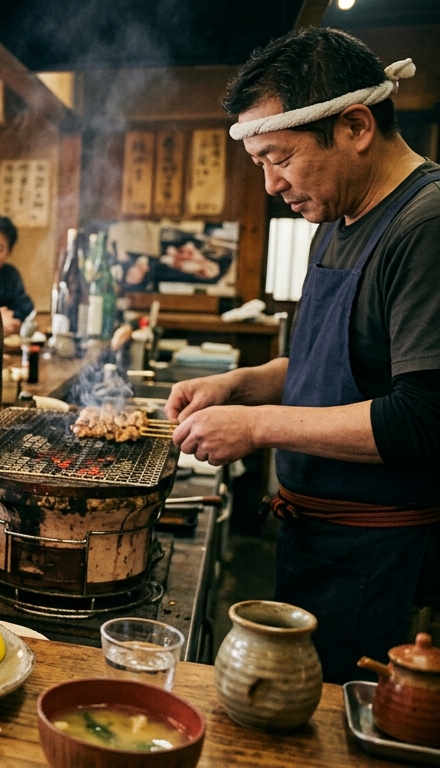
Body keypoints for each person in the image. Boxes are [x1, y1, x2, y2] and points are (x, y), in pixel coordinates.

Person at [168, 28, 440, 683]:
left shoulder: (425, 225)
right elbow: (331, 366)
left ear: (355, 126)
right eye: (259, 163)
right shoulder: (338, 219)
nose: (270, 184)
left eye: (279, 157)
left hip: (387, 556)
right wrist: (241, 385)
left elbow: (422, 418)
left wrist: (257, 426)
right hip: (317, 542)